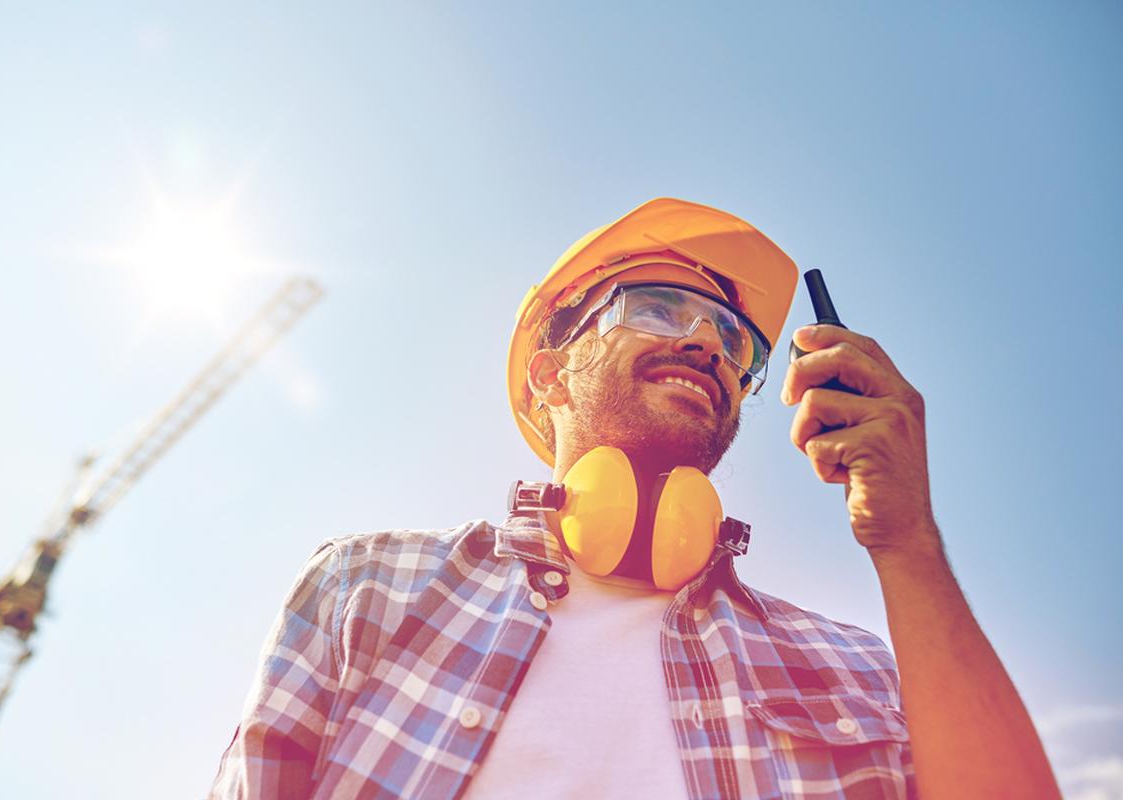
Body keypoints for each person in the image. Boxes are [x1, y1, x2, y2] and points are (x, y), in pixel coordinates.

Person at [209, 198, 1059, 799]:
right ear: (550, 374)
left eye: (736, 342)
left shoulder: (855, 670)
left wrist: (907, 541)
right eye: (656, 306)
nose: (707, 343)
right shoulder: (366, 588)